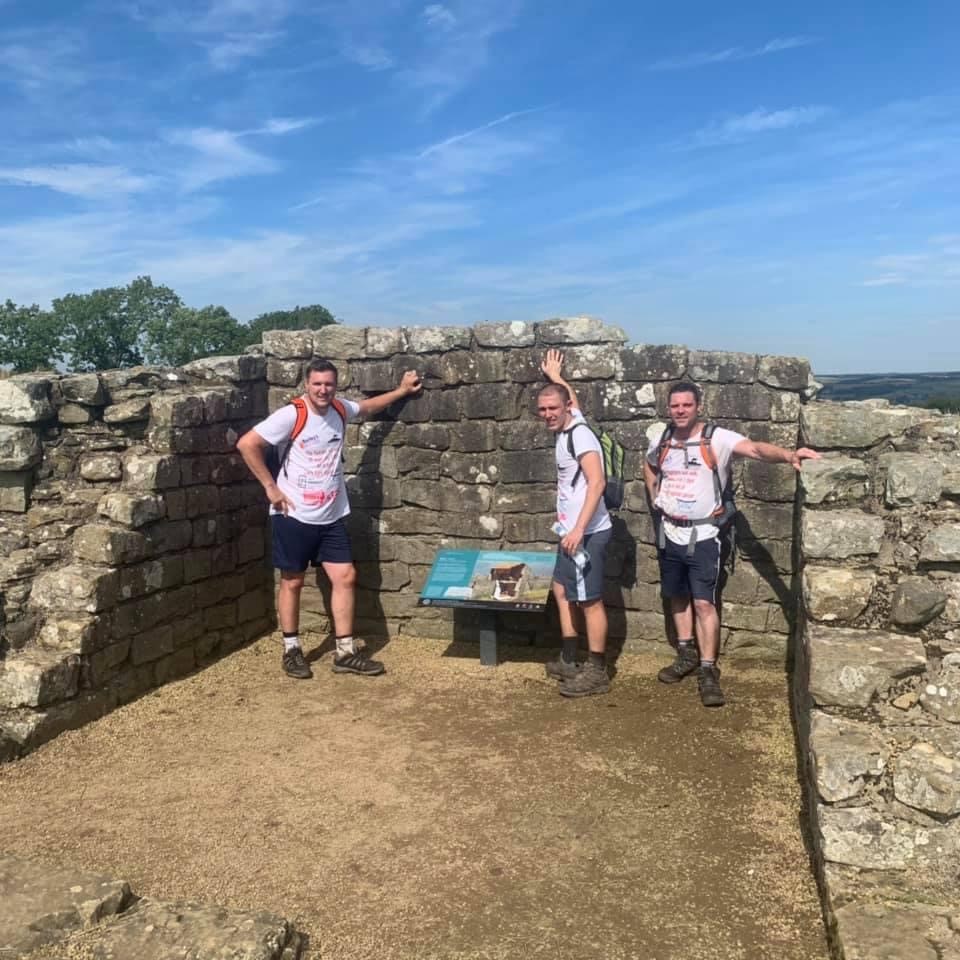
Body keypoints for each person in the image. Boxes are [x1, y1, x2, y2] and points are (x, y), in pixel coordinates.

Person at [237, 358, 422, 680]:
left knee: (346, 576)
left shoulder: (339, 409)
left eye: (329, 384)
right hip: (293, 513)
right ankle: (292, 650)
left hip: (332, 514)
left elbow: (367, 407)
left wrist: (402, 391)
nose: (323, 390)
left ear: (336, 385)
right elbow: (247, 443)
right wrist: (270, 487)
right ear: (306, 385)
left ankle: (345, 653)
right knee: (292, 581)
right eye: (317, 384)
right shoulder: (292, 414)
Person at [643, 381, 820, 707]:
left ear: (698, 406)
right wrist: (655, 496)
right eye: (675, 405)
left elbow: (755, 449)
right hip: (669, 532)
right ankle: (686, 653)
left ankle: (708, 669)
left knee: (704, 603)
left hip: (704, 535)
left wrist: (788, 455)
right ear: (668, 408)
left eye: (686, 405)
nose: (680, 410)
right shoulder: (663, 438)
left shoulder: (717, 438)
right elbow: (650, 464)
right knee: (677, 596)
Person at [538, 349, 613, 698]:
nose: (548, 414)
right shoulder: (570, 423)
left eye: (553, 408)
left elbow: (597, 482)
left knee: (589, 600)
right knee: (560, 587)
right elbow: (575, 403)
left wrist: (580, 529)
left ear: (565, 407)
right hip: (570, 532)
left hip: (587, 533)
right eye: (542, 410)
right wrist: (556, 379)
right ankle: (569, 658)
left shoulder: (580, 435)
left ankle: (597, 671)